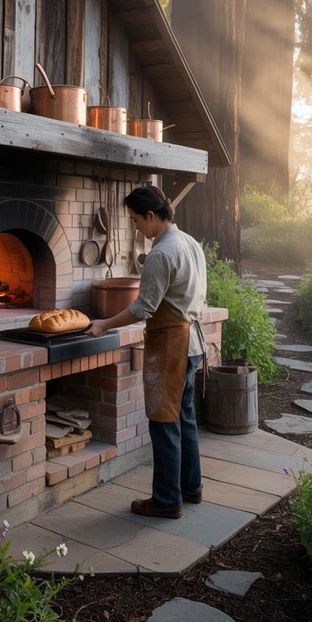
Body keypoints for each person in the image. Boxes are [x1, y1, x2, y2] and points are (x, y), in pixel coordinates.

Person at [86, 185, 207, 519]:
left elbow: (143, 308)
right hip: (194, 343)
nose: (136, 226)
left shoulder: (161, 253)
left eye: (137, 220)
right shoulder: (191, 243)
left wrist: (103, 324)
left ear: (151, 216)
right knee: (184, 417)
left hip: (173, 347)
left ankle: (167, 501)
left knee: (163, 421)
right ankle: (191, 488)